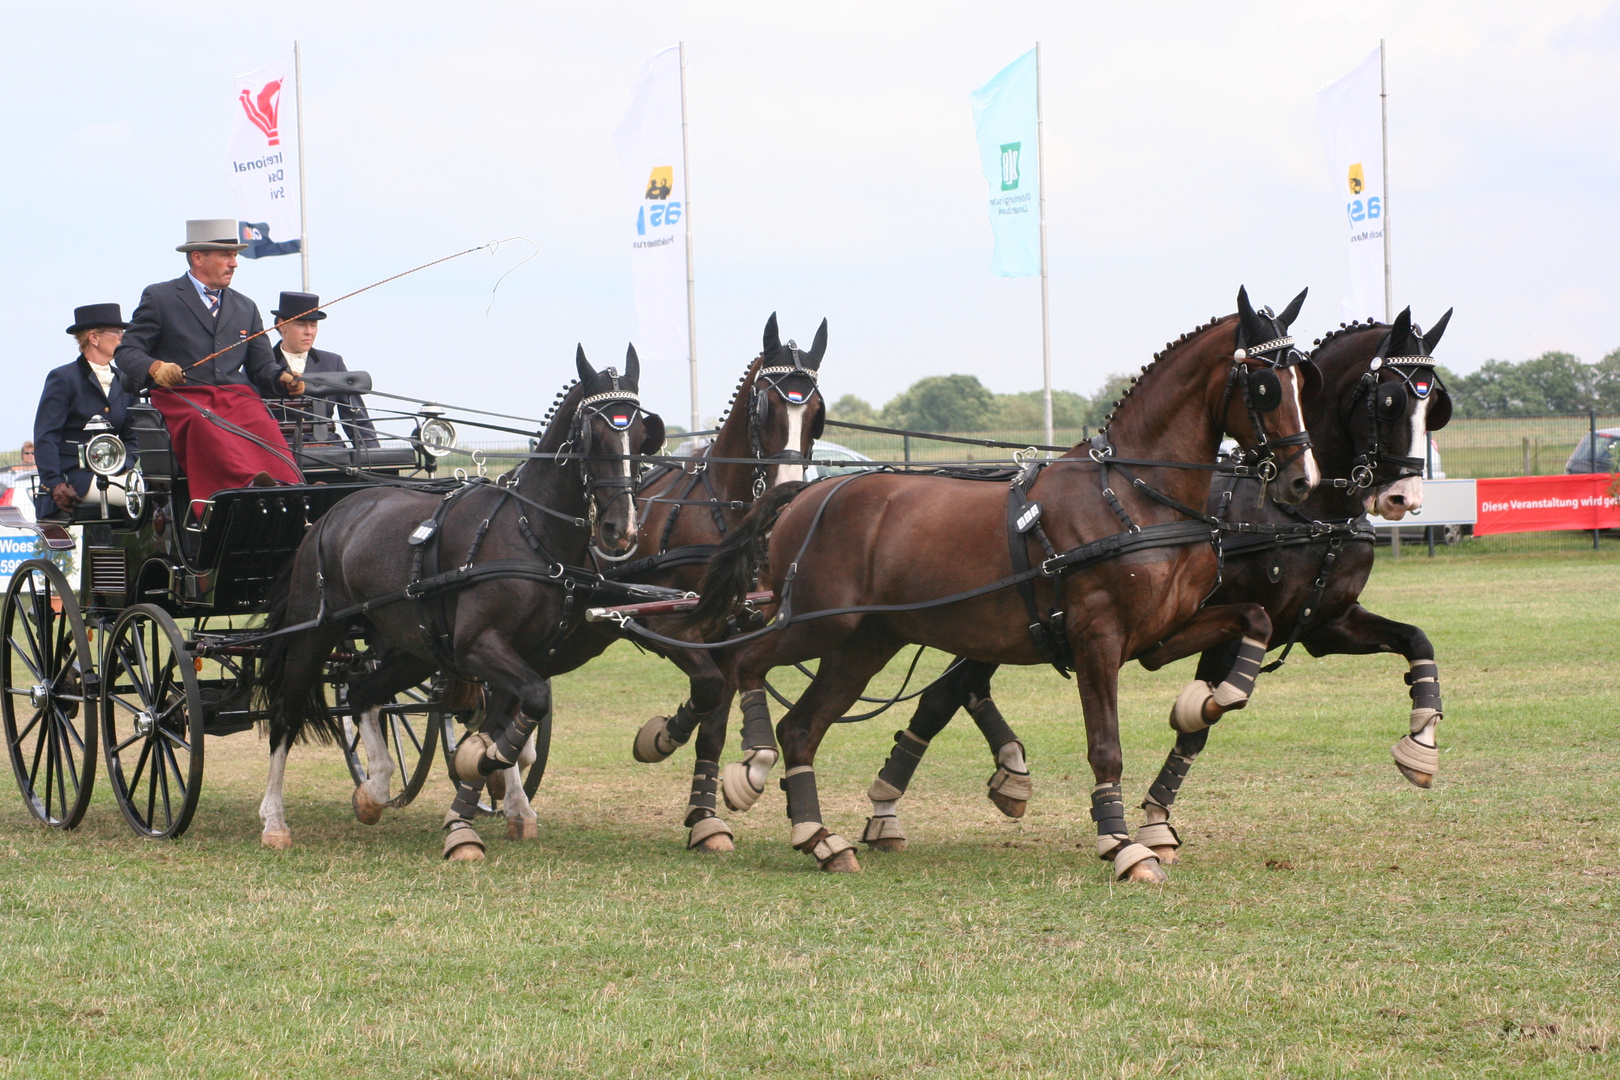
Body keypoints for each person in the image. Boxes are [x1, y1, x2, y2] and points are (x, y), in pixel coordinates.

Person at [113, 219, 305, 501]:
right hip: (183, 398)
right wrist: (155, 367)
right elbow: (126, 352)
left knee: (263, 421)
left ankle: (289, 488)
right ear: (198, 257)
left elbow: (261, 366)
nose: (234, 263)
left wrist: (282, 379)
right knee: (204, 423)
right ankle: (238, 493)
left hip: (235, 397)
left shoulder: (245, 306)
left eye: (235, 256)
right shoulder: (160, 297)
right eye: (226, 256)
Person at [32, 304, 140, 520]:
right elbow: (46, 436)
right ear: (94, 337)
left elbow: (133, 437)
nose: (122, 338)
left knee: (158, 492)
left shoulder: (126, 380)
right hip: (74, 476)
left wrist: (121, 466)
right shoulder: (63, 378)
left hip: (115, 473)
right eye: (117, 333)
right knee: (139, 496)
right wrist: (54, 483)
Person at [270, 291, 379, 448]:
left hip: (328, 449)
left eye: (313, 325)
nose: (309, 331)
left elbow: (355, 417)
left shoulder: (333, 363)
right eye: (301, 325)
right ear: (281, 324)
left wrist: (373, 459)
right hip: (282, 450)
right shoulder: (263, 365)